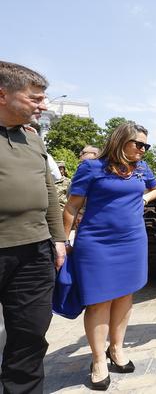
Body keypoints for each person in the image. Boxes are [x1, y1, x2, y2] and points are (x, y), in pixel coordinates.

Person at [62, 123, 156, 390]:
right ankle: (98, 361)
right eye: (138, 144)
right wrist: (63, 241)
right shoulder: (92, 168)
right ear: (120, 140)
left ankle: (116, 350)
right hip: (97, 244)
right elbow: (72, 205)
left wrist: (145, 199)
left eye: (145, 146)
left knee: (125, 295)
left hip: (133, 242)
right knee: (98, 301)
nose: (143, 150)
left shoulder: (141, 168)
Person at [0, 61, 66, 393]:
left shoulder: (33, 139)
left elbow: (49, 191)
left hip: (35, 252)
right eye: (35, 98)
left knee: (29, 337)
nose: (43, 106)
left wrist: (57, 238)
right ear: (2, 95)